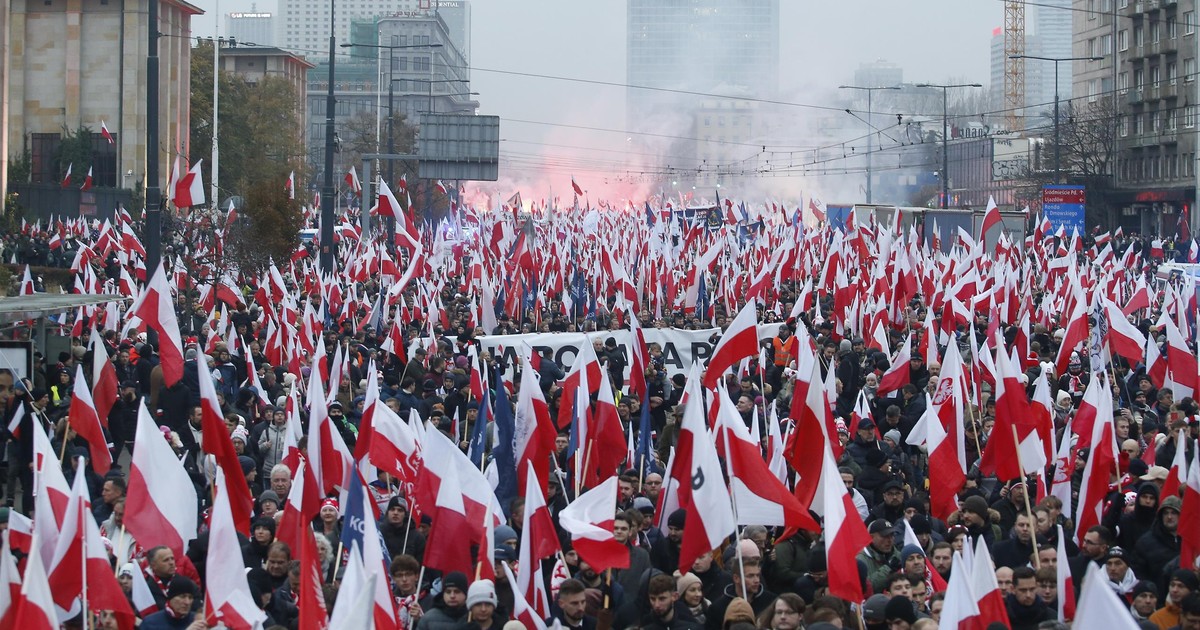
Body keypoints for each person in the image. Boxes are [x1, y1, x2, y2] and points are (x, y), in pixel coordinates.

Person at [138, 576, 203, 630]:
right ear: (171, 598)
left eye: (190, 597)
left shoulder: (198, 621)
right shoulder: (151, 623)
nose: (187, 602)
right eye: (182, 597)